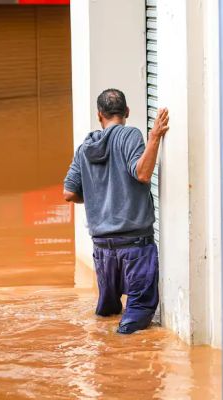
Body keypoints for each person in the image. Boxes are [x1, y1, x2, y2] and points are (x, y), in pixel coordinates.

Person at [63, 88, 169, 334]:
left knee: (107, 314)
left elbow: (68, 193)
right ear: (127, 112)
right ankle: (122, 361)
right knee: (135, 320)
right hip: (135, 246)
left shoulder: (84, 148)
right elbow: (142, 174)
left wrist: (95, 197)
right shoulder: (129, 135)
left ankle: (105, 359)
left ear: (99, 115)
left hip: (102, 249)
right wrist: (154, 138)